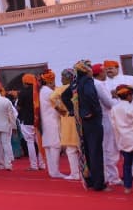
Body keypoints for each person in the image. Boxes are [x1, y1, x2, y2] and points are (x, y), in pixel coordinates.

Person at [73, 60, 108, 191]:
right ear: (87, 70)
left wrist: (77, 112)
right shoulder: (87, 81)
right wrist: (92, 111)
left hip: (82, 122)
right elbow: (90, 94)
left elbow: (66, 97)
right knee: (95, 152)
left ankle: (90, 180)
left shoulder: (75, 82)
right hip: (92, 120)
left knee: (87, 150)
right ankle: (99, 183)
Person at [110, 85, 133, 196]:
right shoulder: (132, 108)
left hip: (123, 140)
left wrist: (118, 141)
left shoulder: (114, 109)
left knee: (126, 165)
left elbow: (114, 126)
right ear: (129, 96)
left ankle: (127, 187)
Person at [92, 63, 121, 185]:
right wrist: (117, 98)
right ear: (99, 73)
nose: (106, 73)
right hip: (105, 119)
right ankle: (112, 177)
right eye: (104, 71)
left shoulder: (97, 83)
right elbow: (108, 103)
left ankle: (110, 176)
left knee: (108, 148)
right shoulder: (98, 84)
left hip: (104, 119)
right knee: (110, 149)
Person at [51, 69, 81, 180]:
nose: (61, 79)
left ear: (68, 78)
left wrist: (61, 109)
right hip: (80, 118)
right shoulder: (78, 87)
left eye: (63, 77)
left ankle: (75, 173)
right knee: (82, 147)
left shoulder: (62, 89)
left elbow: (52, 98)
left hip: (68, 119)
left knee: (71, 149)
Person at [39, 70, 65, 178]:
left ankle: (52, 171)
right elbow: (58, 106)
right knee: (55, 146)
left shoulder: (42, 90)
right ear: (50, 81)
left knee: (49, 146)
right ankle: (55, 171)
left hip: (46, 121)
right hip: (52, 120)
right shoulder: (50, 92)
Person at [17, 74, 45, 171]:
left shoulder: (22, 93)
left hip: (27, 120)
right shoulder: (39, 90)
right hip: (39, 120)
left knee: (30, 142)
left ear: (24, 82)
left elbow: (19, 107)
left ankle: (34, 165)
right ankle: (42, 164)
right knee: (40, 143)